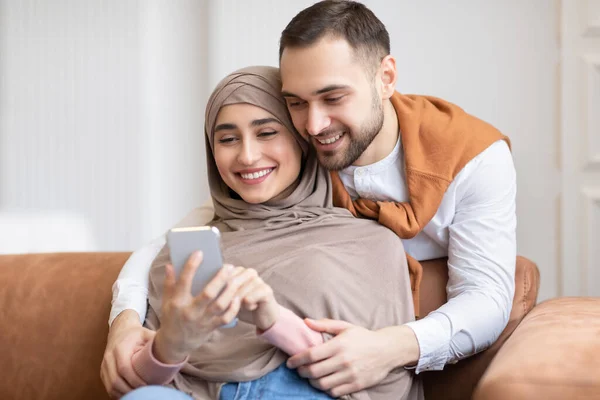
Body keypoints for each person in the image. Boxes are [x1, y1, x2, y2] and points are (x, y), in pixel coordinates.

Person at [103, 0, 516, 397]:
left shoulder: (475, 159)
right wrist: (124, 320)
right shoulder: (301, 158)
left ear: (386, 77)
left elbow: (486, 298)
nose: (314, 125)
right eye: (296, 103)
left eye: (333, 98)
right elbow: (177, 240)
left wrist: (390, 347)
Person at [109, 66, 421, 400]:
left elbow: (376, 378)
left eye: (267, 133)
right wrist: (169, 345)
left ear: (302, 141)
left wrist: (273, 319)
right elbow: (136, 384)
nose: (247, 155)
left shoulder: (369, 243)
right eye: (227, 139)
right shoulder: (185, 253)